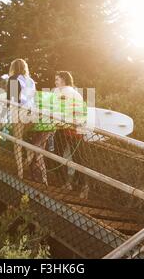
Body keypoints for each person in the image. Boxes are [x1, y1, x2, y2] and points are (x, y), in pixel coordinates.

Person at [53, 71, 89, 199]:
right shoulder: (73, 93)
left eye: (57, 79)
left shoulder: (63, 92)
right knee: (73, 156)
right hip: (69, 128)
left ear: (63, 80)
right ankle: (71, 184)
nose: (55, 82)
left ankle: (77, 185)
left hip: (70, 129)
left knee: (70, 156)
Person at [6, 59, 36, 179]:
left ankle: (20, 171)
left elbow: (12, 99)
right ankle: (29, 157)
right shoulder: (31, 81)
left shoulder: (13, 78)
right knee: (26, 138)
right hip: (32, 113)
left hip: (20, 111)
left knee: (17, 141)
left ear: (13, 67)